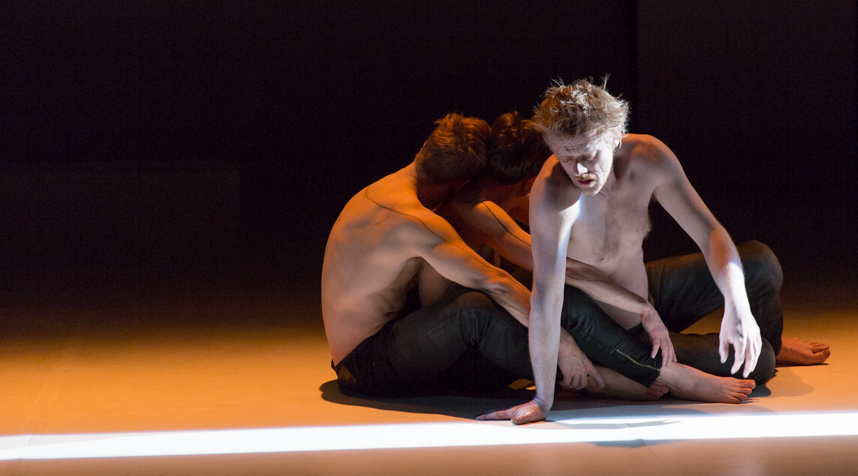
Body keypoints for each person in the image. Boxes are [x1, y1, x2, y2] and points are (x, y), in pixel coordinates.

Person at [479, 80, 830, 424]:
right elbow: (547, 295)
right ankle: (736, 352)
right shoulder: (554, 194)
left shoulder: (648, 157)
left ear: (616, 135)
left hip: (647, 297)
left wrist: (737, 307)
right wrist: (543, 399)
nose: (580, 171)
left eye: (588, 155)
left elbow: (710, 234)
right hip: (614, 330)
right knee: (762, 363)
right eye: (566, 157)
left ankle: (758, 335)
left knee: (760, 263)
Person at [321, 112, 606, 397]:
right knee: (475, 308)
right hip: (365, 365)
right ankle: (601, 378)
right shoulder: (412, 219)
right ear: (460, 184)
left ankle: (600, 364)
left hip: (376, 341)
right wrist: (563, 344)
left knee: (526, 290)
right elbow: (497, 283)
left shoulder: (381, 191)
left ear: (424, 148)